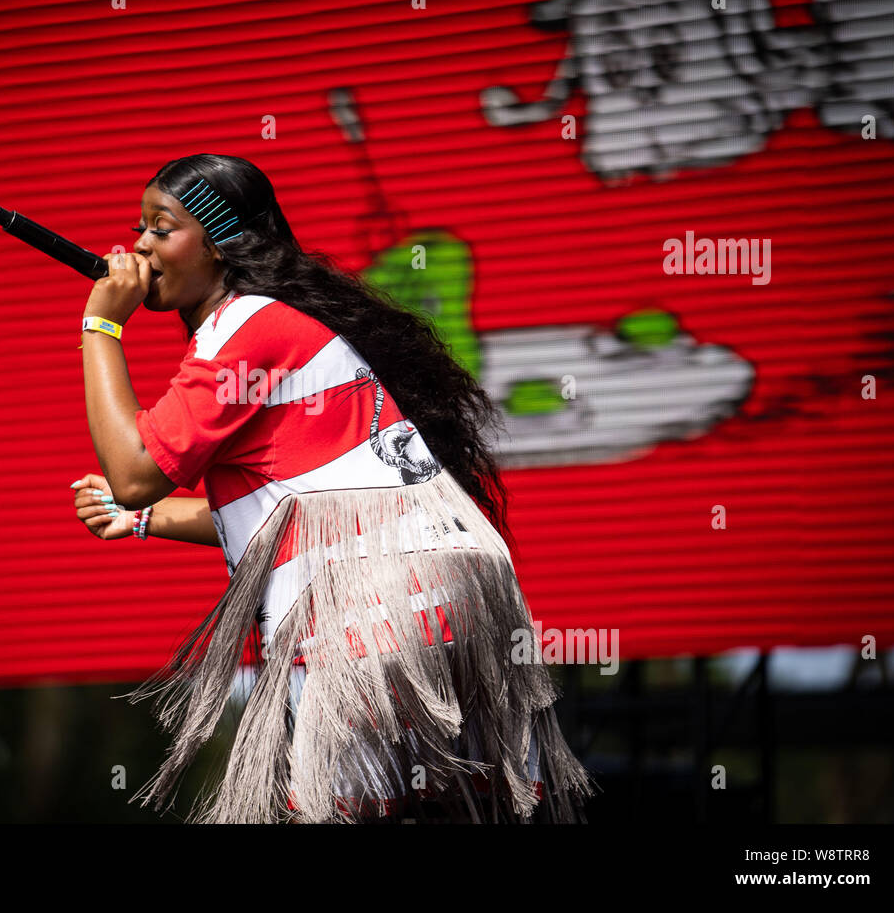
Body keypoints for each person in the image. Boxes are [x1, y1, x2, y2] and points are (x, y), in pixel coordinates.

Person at [70, 153, 596, 824]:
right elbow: (299, 514)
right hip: (444, 594)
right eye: (139, 227)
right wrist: (143, 524)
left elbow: (135, 472)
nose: (140, 245)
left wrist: (101, 323)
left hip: (377, 608)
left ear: (219, 241)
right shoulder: (281, 324)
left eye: (161, 227)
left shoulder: (244, 326)